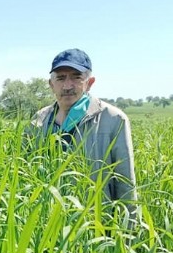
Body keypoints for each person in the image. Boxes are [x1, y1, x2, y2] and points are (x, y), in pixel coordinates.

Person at [28, 48, 137, 211]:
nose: (67, 86)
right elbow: (26, 175)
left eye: (76, 77)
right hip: (46, 222)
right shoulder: (39, 121)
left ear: (89, 83)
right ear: (51, 84)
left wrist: (128, 232)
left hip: (94, 223)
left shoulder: (112, 119)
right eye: (61, 78)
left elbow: (126, 183)